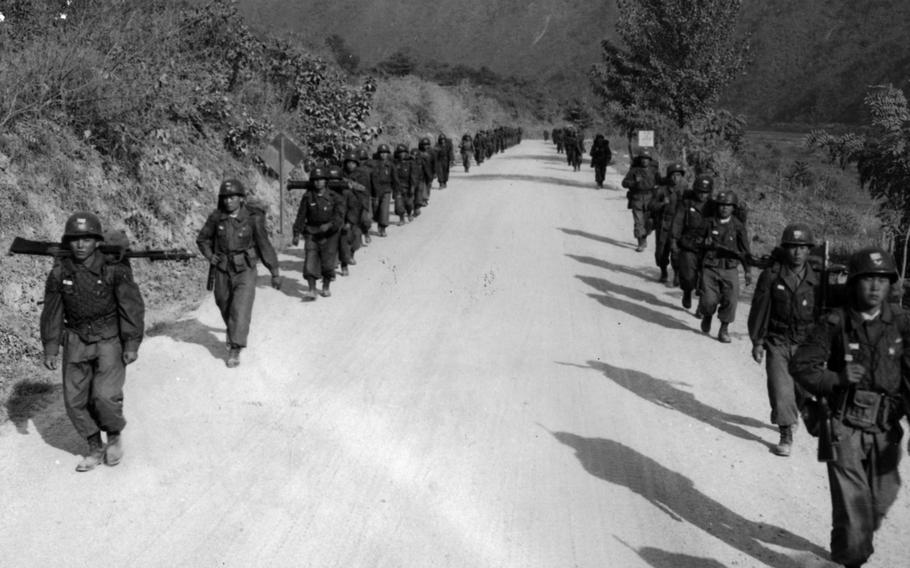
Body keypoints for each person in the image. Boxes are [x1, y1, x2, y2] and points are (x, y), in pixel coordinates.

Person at [789, 247, 910, 568]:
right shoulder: (835, 322)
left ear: (890, 285)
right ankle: (850, 553)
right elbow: (801, 366)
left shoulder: (900, 322)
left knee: (884, 496)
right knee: (858, 531)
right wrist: (836, 377)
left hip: (885, 430)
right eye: (868, 279)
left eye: (882, 280)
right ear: (854, 282)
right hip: (844, 426)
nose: (875, 287)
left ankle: (849, 540)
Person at [41, 212, 145, 471]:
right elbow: (52, 313)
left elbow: (131, 308)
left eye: (86, 239)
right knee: (74, 400)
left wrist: (131, 344)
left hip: (109, 338)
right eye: (75, 240)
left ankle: (113, 436)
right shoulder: (59, 273)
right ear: (68, 242)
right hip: (76, 339)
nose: (80, 245)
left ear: (97, 241)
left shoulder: (114, 270)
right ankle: (94, 447)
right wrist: (51, 348)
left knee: (105, 395)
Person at [747, 224, 820, 456]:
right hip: (777, 341)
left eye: (802, 248)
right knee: (780, 389)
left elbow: (827, 316)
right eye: (792, 247)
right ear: (785, 249)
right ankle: (786, 433)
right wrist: (758, 342)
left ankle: (795, 412)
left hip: (806, 344)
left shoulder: (818, 280)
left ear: (809, 250)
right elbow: (759, 310)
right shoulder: (771, 276)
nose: (797, 253)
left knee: (803, 389)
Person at [197, 179, 281, 368]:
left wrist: (274, 271)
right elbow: (202, 239)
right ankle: (233, 330)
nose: (228, 201)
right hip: (223, 269)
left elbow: (264, 245)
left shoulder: (253, 218)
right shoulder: (216, 217)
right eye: (225, 198)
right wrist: (210, 256)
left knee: (240, 309)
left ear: (241, 199)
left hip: (245, 269)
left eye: (233, 197)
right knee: (223, 301)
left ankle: (235, 348)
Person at [696, 189, 752, 342]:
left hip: (730, 268)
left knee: (731, 299)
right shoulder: (708, 222)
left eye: (728, 205)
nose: (724, 208)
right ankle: (707, 315)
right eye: (721, 205)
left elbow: (745, 251)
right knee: (708, 300)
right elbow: (695, 241)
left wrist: (747, 271)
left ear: (733, 208)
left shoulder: (738, 226)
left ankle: (724, 328)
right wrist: (703, 243)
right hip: (710, 266)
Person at [292, 167, 345, 299]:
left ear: (326, 181)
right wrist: (296, 233)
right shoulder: (308, 197)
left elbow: (339, 217)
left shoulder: (335, 197)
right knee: (310, 260)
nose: (318, 182)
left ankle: (326, 286)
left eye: (321, 179)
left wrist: (330, 225)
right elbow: (301, 215)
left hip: (330, 235)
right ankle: (312, 289)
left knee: (328, 263)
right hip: (311, 232)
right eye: (315, 180)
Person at [671, 174, 714, 309]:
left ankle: (701, 305)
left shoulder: (713, 206)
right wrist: (674, 240)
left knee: (706, 279)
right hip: (689, 244)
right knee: (688, 276)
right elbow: (678, 222)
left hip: (707, 247)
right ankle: (687, 292)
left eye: (706, 192)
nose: (702, 195)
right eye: (700, 191)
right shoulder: (687, 203)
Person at [651, 162, 686, 283]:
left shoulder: (685, 191)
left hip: (678, 226)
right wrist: (662, 203)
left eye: (678, 175)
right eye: (673, 175)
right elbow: (652, 206)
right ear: (669, 176)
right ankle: (663, 271)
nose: (676, 178)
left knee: (676, 251)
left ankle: (676, 274)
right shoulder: (662, 190)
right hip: (663, 224)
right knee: (661, 252)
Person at [622, 149, 660, 252]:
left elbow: (660, 183)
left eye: (647, 159)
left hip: (650, 199)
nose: (644, 161)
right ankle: (641, 243)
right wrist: (634, 182)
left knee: (650, 223)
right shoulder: (634, 170)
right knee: (639, 222)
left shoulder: (654, 171)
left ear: (649, 160)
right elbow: (624, 183)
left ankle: (644, 236)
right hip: (637, 198)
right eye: (643, 158)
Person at [370, 144, 399, 237]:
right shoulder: (374, 164)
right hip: (375, 190)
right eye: (381, 153)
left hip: (386, 189)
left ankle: (383, 227)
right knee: (376, 209)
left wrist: (396, 191)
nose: (383, 155)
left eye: (385, 153)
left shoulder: (390, 165)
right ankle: (378, 222)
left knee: (384, 209)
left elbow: (395, 179)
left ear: (388, 154)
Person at [393, 144, 418, 224]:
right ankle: (401, 218)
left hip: (408, 186)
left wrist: (412, 187)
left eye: (403, 152)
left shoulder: (410, 163)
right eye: (400, 153)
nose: (402, 154)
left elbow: (413, 176)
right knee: (399, 205)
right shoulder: (394, 163)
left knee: (409, 204)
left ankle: (409, 213)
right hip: (398, 187)